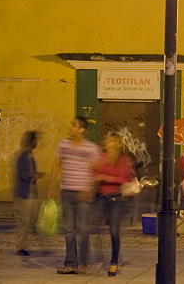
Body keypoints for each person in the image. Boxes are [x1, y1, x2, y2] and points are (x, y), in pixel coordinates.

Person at [49, 116, 101, 275]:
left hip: (82, 193)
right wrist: (51, 185)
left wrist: (89, 190)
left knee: (83, 229)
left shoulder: (90, 148)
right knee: (68, 229)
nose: (70, 127)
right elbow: (57, 164)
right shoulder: (63, 144)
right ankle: (70, 263)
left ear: (81, 129)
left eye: (74, 125)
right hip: (67, 192)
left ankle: (83, 263)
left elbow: (97, 170)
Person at [94, 133, 136, 277]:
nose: (107, 143)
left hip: (116, 199)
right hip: (101, 197)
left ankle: (114, 262)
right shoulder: (101, 157)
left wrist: (104, 177)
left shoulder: (124, 160)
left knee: (114, 231)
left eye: (111, 141)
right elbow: (94, 172)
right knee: (94, 229)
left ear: (118, 143)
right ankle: (99, 258)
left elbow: (124, 178)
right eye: (106, 140)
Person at [13, 130, 43, 257]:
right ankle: (20, 246)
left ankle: (24, 244)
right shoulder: (24, 156)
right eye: (35, 140)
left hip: (29, 194)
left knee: (29, 222)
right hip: (24, 194)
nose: (37, 142)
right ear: (32, 141)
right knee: (24, 222)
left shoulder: (29, 156)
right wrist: (35, 175)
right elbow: (24, 174)